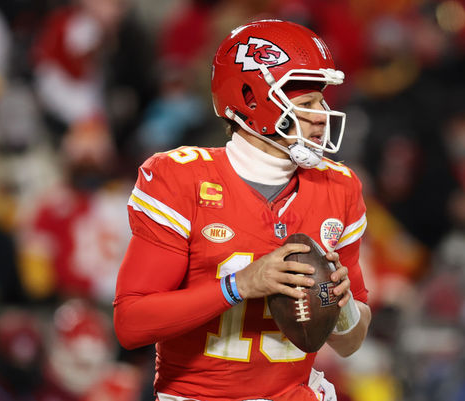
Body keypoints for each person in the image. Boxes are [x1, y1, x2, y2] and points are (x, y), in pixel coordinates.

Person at [113, 19, 372, 401]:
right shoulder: (182, 179)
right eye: (306, 104)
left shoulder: (338, 186)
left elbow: (351, 343)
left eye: (321, 100)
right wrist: (240, 285)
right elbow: (131, 324)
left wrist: (342, 309)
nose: (322, 115)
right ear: (253, 102)